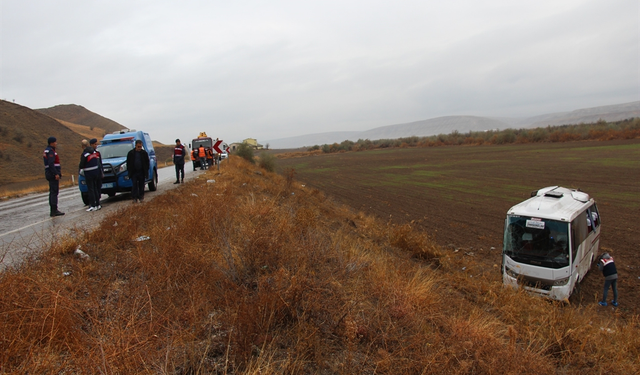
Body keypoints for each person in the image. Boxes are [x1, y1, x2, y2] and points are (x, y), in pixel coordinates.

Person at [44, 136, 65, 217]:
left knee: (52, 192)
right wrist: (56, 173)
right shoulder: (51, 151)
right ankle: (54, 210)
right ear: (52, 143)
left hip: (49, 173)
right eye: (55, 142)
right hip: (52, 174)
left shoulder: (47, 150)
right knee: (54, 192)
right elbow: (51, 163)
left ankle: (53, 210)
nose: (56, 144)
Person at [79, 139, 102, 211]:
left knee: (91, 189)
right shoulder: (94, 152)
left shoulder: (85, 154)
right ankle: (98, 204)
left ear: (83, 146)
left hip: (89, 172)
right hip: (96, 172)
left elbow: (82, 164)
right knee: (95, 188)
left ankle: (93, 205)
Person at [90, 138, 104, 206]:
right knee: (93, 188)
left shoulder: (98, 153)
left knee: (98, 187)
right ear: (91, 145)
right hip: (93, 173)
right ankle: (94, 202)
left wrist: (102, 172)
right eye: (95, 144)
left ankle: (98, 200)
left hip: (98, 173)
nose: (96, 145)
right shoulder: (89, 154)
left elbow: (100, 164)